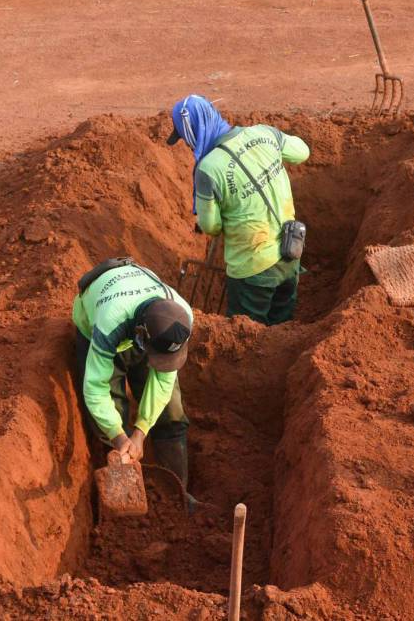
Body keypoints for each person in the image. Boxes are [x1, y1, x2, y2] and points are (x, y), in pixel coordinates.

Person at [167, 94, 311, 325]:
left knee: (246, 334)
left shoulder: (208, 169)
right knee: (282, 326)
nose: (188, 144)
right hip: (291, 249)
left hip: (251, 268)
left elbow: (210, 226)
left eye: (185, 138)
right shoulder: (264, 133)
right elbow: (302, 152)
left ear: (192, 131)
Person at [72, 258, 194, 493]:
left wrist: (141, 431)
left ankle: (176, 494)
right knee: (111, 415)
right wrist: (119, 437)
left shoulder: (182, 317)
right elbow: (95, 388)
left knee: (171, 412)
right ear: (141, 335)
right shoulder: (109, 323)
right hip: (99, 324)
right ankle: (124, 492)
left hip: (141, 324)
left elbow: (164, 380)